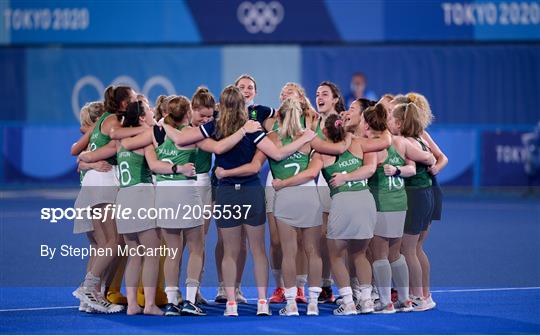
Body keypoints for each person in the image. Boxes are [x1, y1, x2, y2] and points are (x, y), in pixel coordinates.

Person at [162, 85, 316, 316]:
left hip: (226, 194)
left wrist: (163, 124)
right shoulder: (253, 128)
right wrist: (305, 138)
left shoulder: (214, 127)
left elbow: (183, 139)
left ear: (220, 106)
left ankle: (231, 304)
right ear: (243, 106)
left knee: (230, 251)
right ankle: (262, 303)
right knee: (258, 251)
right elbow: (277, 154)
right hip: (251, 191)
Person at [72, 86, 136, 313]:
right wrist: (91, 158)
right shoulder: (113, 122)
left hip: (95, 184)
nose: (137, 101)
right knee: (114, 242)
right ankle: (88, 288)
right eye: (134, 98)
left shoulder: (102, 122)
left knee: (101, 245)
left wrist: (87, 160)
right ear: (124, 103)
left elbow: (76, 151)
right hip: (103, 185)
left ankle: (89, 298)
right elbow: (112, 144)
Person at [312, 114, 378, 315]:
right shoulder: (359, 143)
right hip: (365, 199)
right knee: (360, 254)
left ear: (325, 132)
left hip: (342, 202)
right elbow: (370, 168)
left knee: (336, 254)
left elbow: (310, 174)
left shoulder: (321, 153)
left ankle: (348, 303)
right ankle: (367, 301)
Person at [392, 93, 448, 310]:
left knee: (409, 249)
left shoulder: (406, 140)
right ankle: (425, 295)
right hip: (425, 194)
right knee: (416, 248)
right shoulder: (419, 138)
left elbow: (429, 159)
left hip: (418, 194)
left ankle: (417, 297)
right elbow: (431, 157)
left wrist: (431, 162)